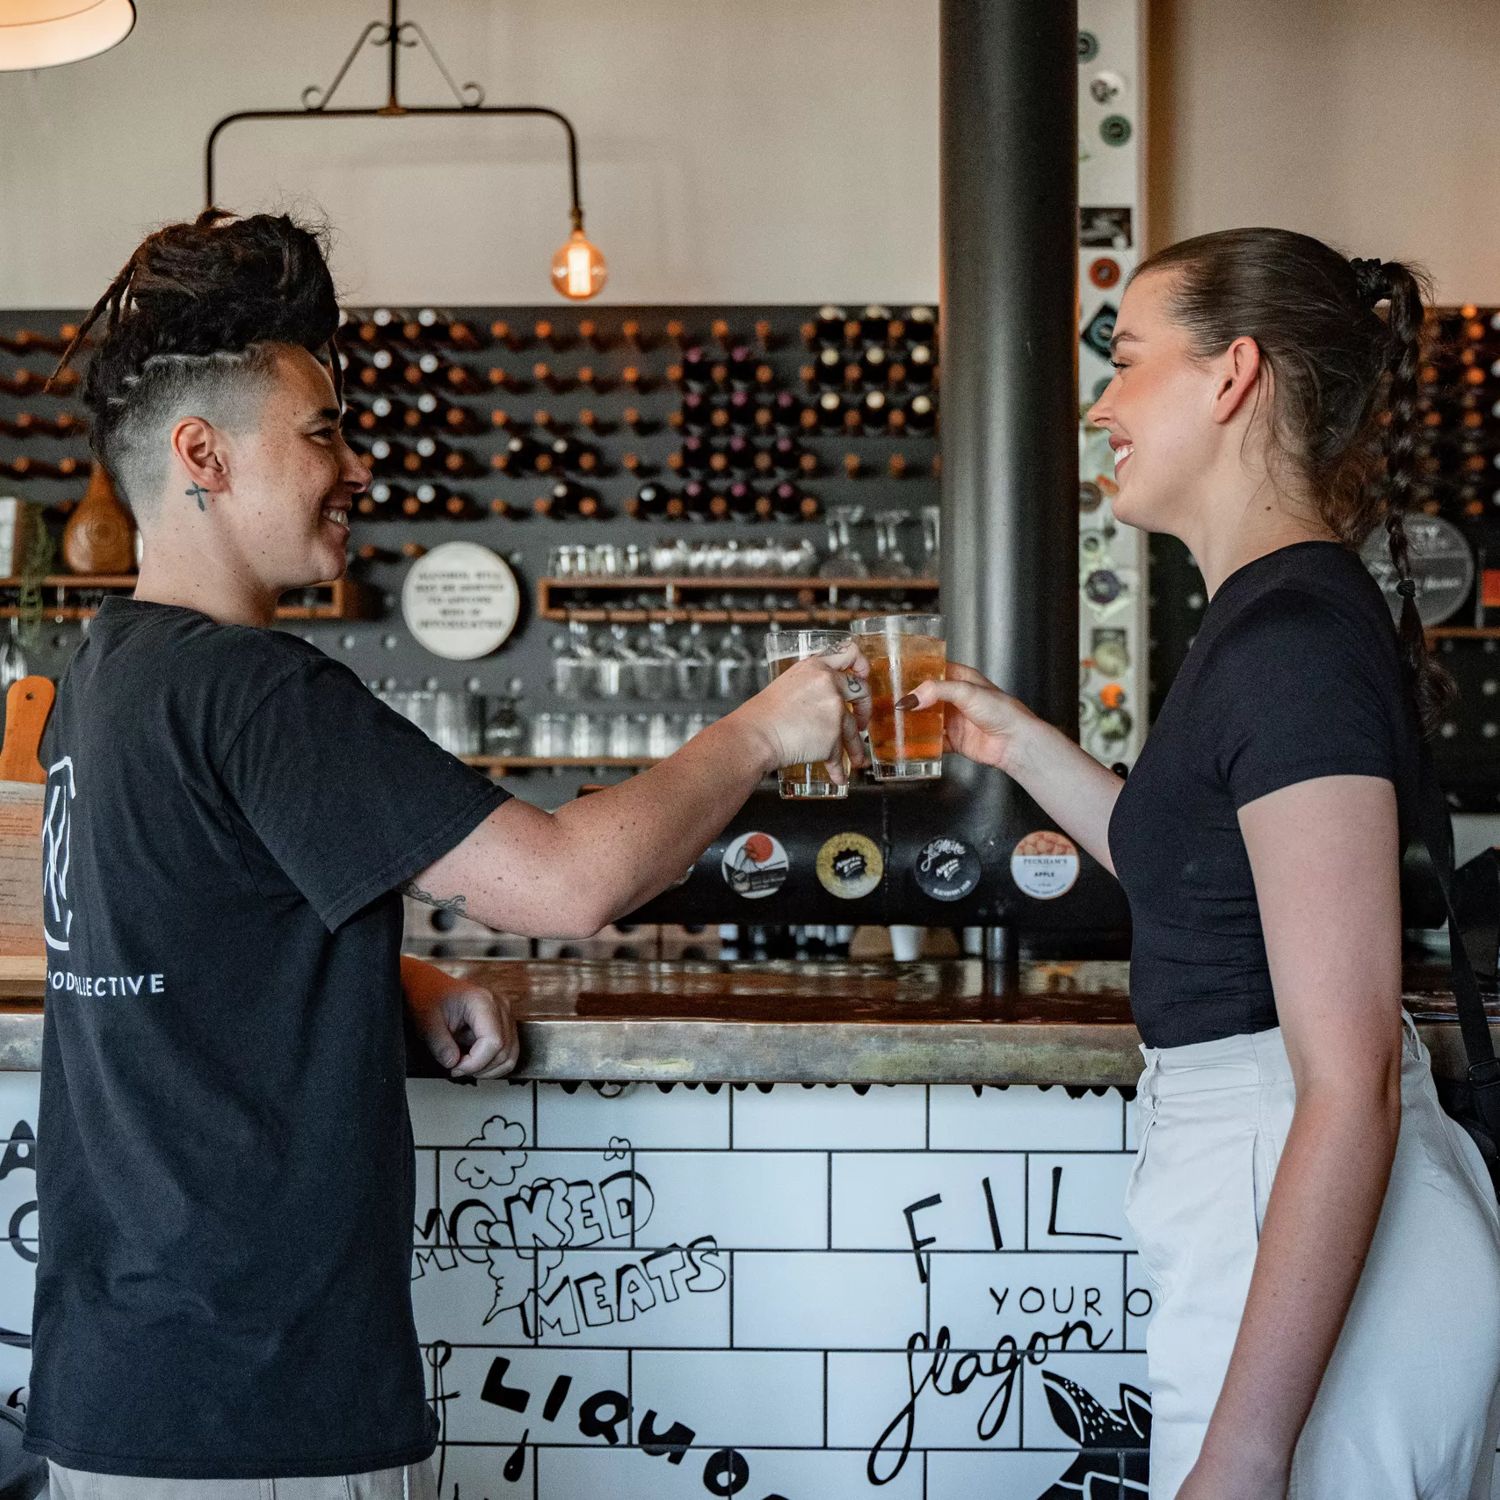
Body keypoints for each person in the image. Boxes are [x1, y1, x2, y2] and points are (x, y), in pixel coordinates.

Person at [26, 208, 869, 1498]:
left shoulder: (103, 670)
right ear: (204, 453)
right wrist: (765, 728)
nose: (356, 467)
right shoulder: (260, 692)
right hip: (261, 1405)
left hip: (125, 1375)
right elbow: (571, 881)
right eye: (322, 433)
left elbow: (177, 934)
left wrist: (402, 981)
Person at [903, 229, 1500, 1499]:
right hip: (1268, 1186)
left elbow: (1346, 1083)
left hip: (1298, 1190)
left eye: (1125, 362)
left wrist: (1244, 1454)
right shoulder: (1270, 620)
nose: (1102, 404)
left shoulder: (1289, 646)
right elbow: (1187, 871)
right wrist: (1017, 741)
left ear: (1232, 378)